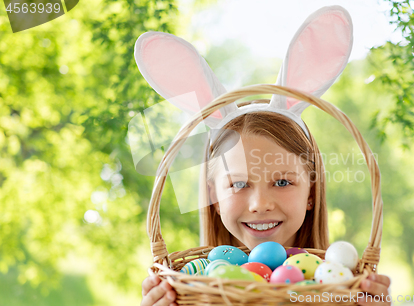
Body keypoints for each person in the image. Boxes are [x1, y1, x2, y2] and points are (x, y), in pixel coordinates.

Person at [135, 5, 391, 306]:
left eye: (282, 182)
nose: (260, 205)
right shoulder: (192, 287)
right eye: (239, 184)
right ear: (213, 197)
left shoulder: (342, 286)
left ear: (311, 191)